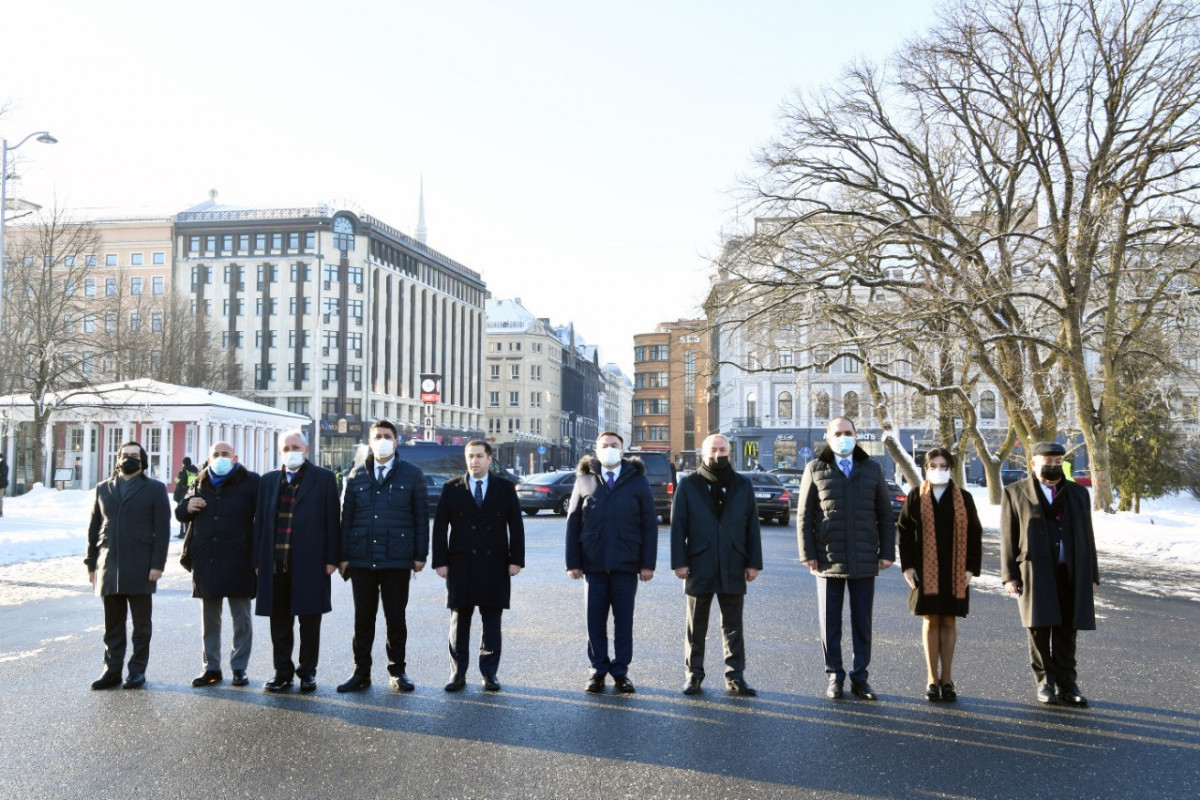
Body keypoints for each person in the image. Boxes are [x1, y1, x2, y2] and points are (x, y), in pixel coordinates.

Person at [798, 417, 896, 701]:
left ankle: (860, 677)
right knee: (830, 623)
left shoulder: (872, 469)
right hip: (827, 559)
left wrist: (887, 552)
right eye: (838, 433)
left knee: (862, 621)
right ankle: (834, 676)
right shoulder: (815, 468)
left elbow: (885, 515)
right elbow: (805, 516)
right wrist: (808, 554)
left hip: (865, 558)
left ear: (856, 436)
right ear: (827, 438)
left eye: (848, 433)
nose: (843, 437)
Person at [1001, 441, 1100, 707]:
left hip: (1071, 571)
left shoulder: (1078, 494)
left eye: (1058, 462)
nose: (1053, 465)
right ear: (1034, 463)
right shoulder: (1014, 492)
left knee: (1068, 629)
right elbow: (1009, 537)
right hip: (1034, 571)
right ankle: (1045, 683)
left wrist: (1092, 574)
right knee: (1039, 628)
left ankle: (1068, 684)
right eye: (1048, 461)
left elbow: (1088, 536)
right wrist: (1009, 575)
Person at [336, 420, 429, 694]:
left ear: (397, 441)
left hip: (397, 559)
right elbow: (345, 519)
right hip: (362, 558)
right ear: (370, 441)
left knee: (395, 618)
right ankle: (360, 672)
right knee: (363, 619)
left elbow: (421, 518)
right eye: (377, 436)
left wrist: (420, 554)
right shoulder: (355, 476)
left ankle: (397, 671)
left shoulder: (412, 475)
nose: (382, 440)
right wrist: (343, 556)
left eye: (387, 436)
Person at [670, 433, 763, 696]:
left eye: (722, 449)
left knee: (733, 624)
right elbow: (678, 527)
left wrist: (753, 563)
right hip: (699, 563)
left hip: (734, 562)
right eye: (712, 450)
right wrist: (680, 562)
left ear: (729, 452)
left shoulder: (743, 484)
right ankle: (693, 675)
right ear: (703, 453)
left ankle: (735, 676)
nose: (717, 455)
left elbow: (752, 527)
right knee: (696, 625)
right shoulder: (688, 484)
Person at [565, 431, 658, 694]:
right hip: (593, 566)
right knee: (594, 621)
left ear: (623, 449)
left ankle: (621, 672)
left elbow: (649, 526)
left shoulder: (637, 481)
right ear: (596, 450)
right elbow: (573, 523)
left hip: (626, 565)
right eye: (604, 446)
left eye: (614, 445)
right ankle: (597, 670)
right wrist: (573, 562)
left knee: (623, 622)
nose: (609, 449)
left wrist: (647, 564)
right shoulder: (584, 481)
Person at [431, 440, 525, 692]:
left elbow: (516, 525)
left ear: (489, 458)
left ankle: (489, 673)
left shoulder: (504, 488)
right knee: (459, 620)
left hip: (495, 562)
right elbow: (440, 527)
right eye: (470, 456)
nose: (474, 461)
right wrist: (440, 561)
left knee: (491, 620)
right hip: (460, 563)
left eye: (479, 456)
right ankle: (457, 673)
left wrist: (516, 559)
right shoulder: (452, 488)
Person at [252, 430, 341, 693]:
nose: (291, 451)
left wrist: (331, 558)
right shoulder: (268, 481)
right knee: (279, 622)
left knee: (309, 622)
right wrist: (258, 560)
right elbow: (260, 523)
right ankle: (282, 672)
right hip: (275, 563)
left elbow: (332, 521)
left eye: (296, 447)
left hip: (311, 562)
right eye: (286, 447)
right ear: (280, 452)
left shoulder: (323, 479)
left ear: (307, 449)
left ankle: (307, 672)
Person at [896, 447, 982, 702]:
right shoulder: (915, 496)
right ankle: (932, 678)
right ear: (926, 468)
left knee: (949, 620)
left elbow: (975, 534)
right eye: (933, 465)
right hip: (924, 570)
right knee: (931, 619)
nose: (939, 470)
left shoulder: (964, 498)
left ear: (951, 468)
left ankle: (948, 678)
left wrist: (970, 569)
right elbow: (904, 533)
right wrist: (907, 566)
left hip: (955, 570)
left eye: (944, 465)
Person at [84, 442, 171, 690]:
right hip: (108, 565)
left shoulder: (155, 489)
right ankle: (111, 671)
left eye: (134, 456)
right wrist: (91, 563)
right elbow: (93, 528)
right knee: (112, 624)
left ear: (142, 461)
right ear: (117, 459)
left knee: (141, 626)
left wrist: (158, 564)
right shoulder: (103, 488)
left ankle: (137, 671)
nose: (129, 459)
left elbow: (162, 530)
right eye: (125, 455)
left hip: (142, 565)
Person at [177, 441, 260, 688]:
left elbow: (263, 518)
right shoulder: (200, 481)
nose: (220, 458)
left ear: (234, 458)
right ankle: (211, 668)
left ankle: (239, 668)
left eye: (225, 454)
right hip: (207, 559)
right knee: (209, 620)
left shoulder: (251, 481)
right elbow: (181, 511)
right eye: (216, 454)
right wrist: (187, 506)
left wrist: (257, 558)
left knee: (241, 619)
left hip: (240, 558)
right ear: (209, 457)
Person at [174, 457, 199, 538]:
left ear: (184, 463)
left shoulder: (183, 472)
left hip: (183, 495)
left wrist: (176, 497)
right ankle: (191, 532)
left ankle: (183, 533)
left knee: (183, 515)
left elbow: (179, 485)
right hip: (194, 494)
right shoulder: (195, 472)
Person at [0, 452, 8, 517]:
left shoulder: (4, 466)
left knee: (0, 499)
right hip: (2, 484)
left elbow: (4, 475)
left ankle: (0, 512)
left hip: (1, 485)